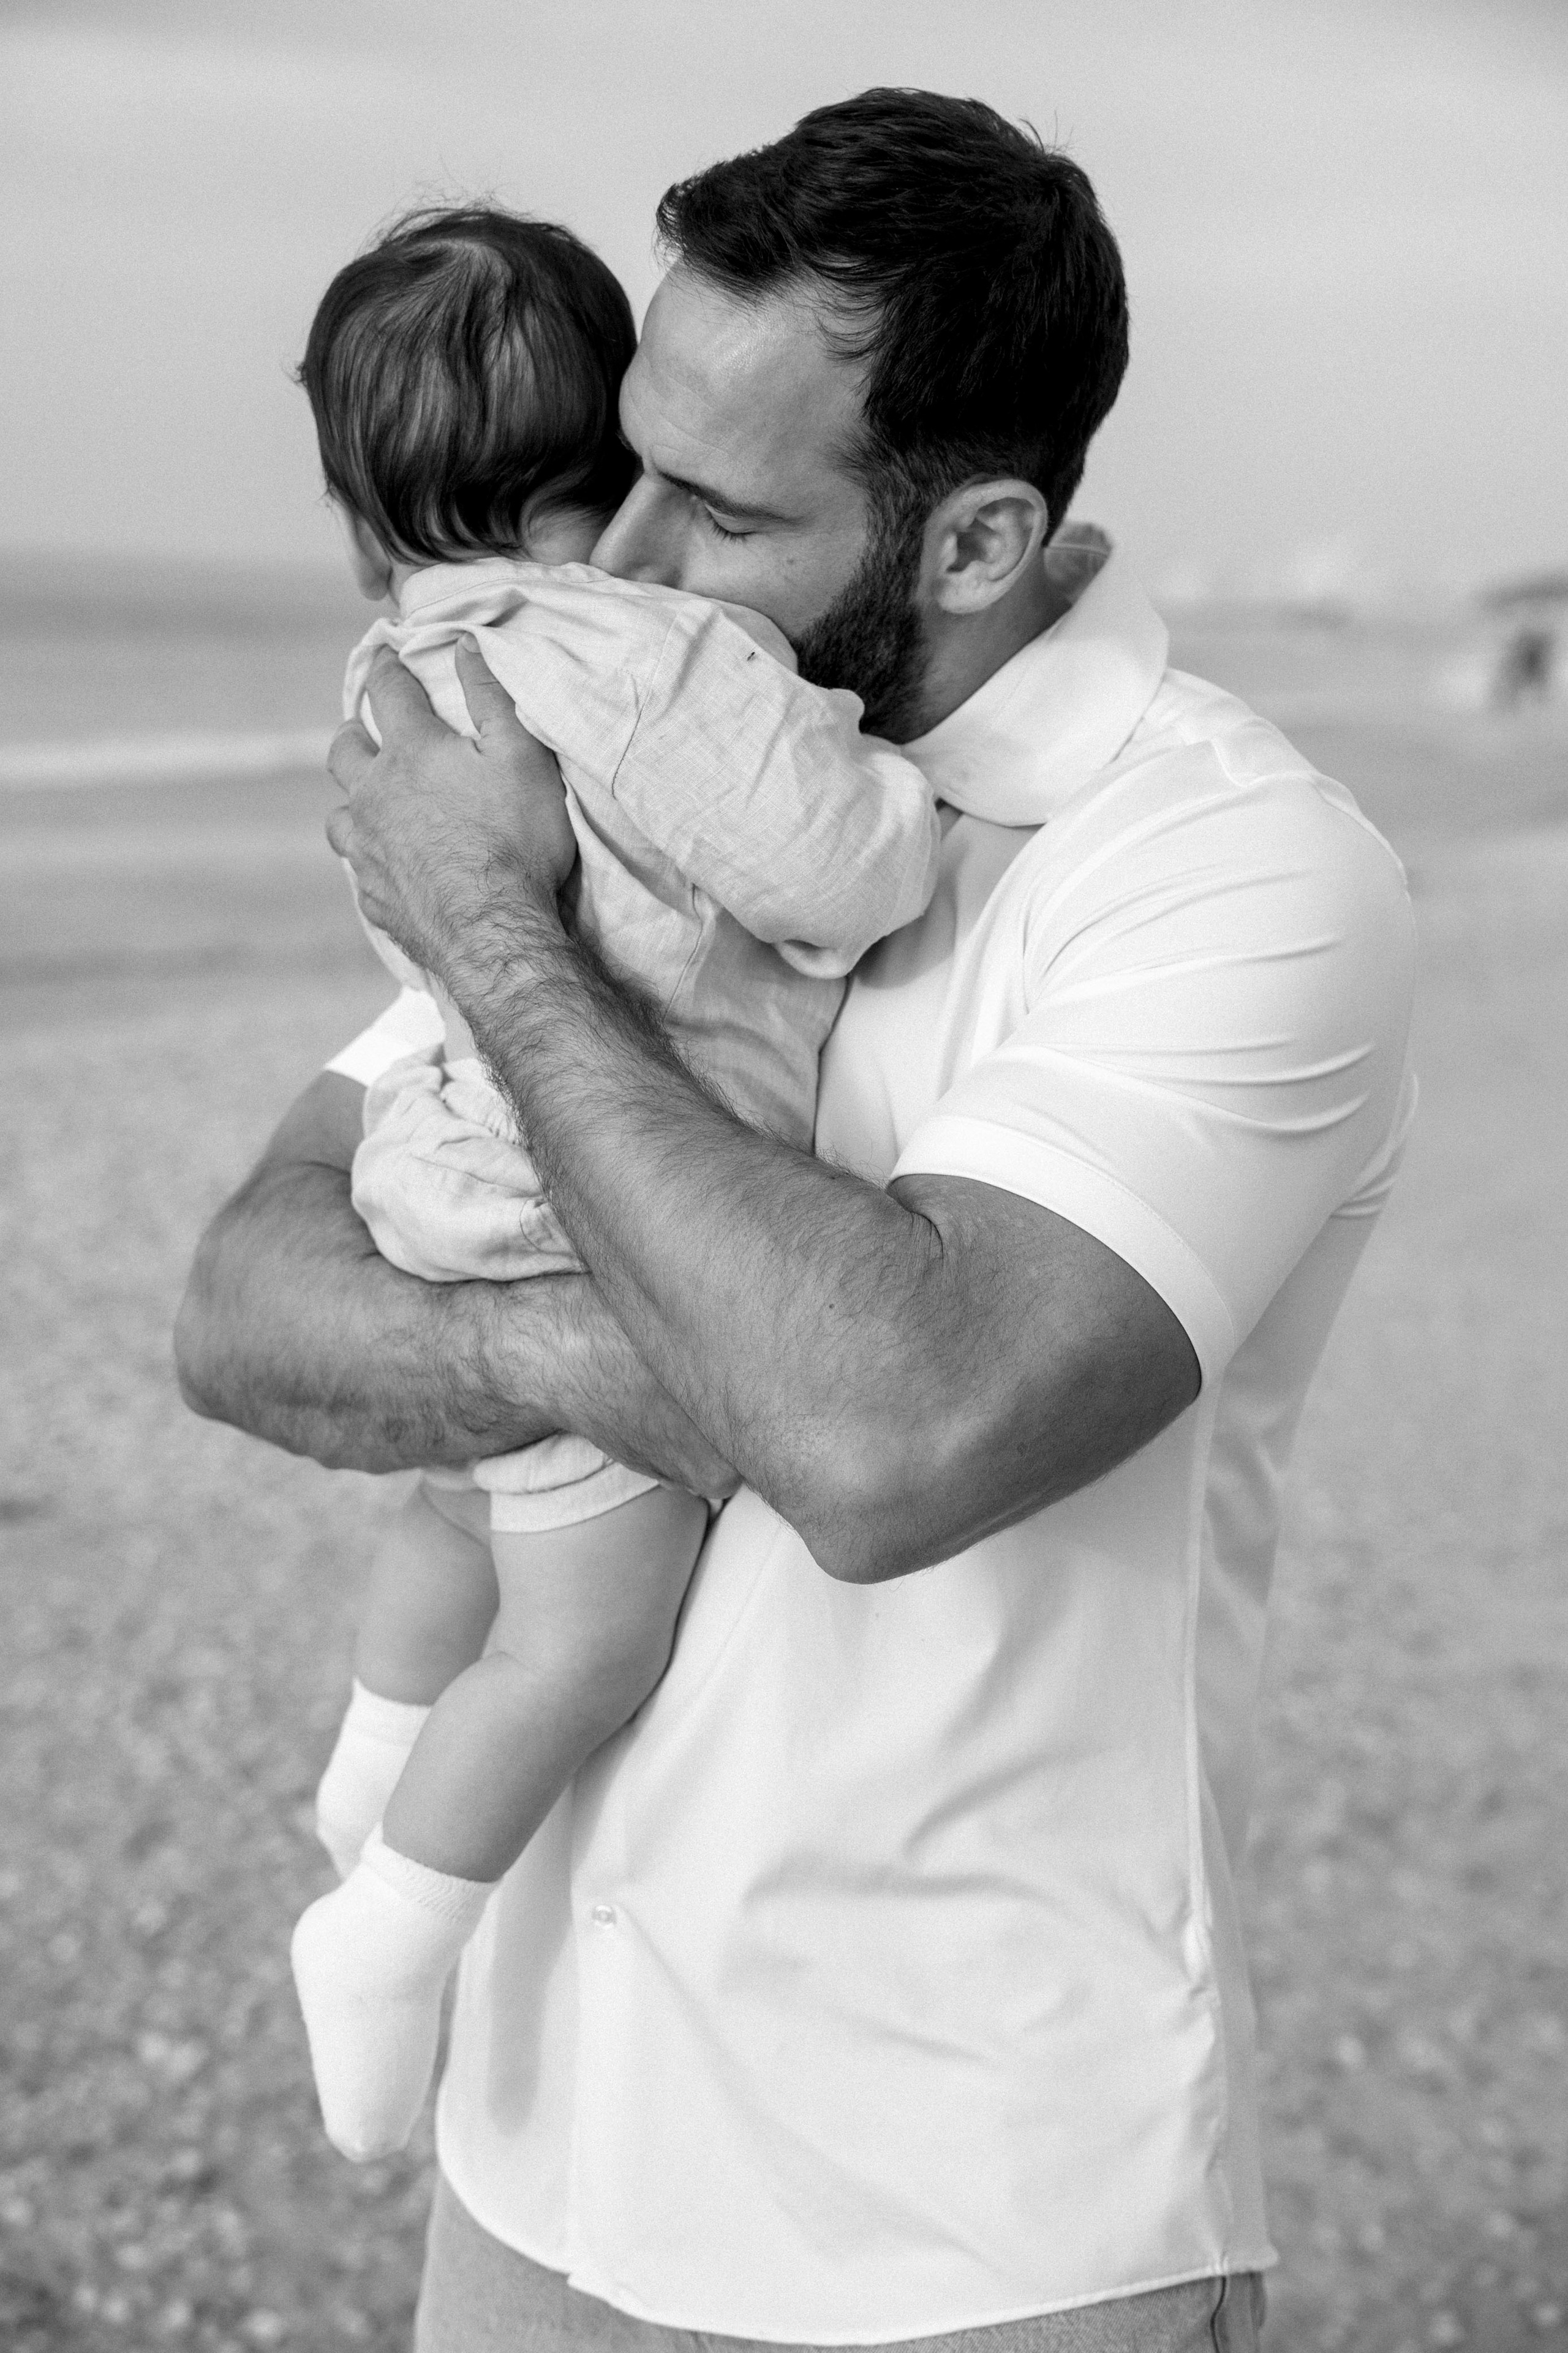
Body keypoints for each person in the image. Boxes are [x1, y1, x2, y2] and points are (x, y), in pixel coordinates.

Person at [176, 89, 1418, 2353]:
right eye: (626, 455)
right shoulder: (625, 766)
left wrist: (485, 916)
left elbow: (881, 1437)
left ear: (973, 541)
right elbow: (245, 1301)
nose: (623, 553)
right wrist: (591, 1362)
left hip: (966, 2229)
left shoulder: (1231, 874)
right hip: (541, 2153)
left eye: (724, 506)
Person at [281, 204, 940, 2164]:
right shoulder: (642, 656)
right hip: (586, 1206)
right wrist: (887, 782)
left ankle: (369, 1755)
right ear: (615, 460)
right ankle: (394, 1917)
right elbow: (844, 867)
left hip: (437, 1171)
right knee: (581, 1635)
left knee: (455, 1505)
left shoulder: (401, 659)